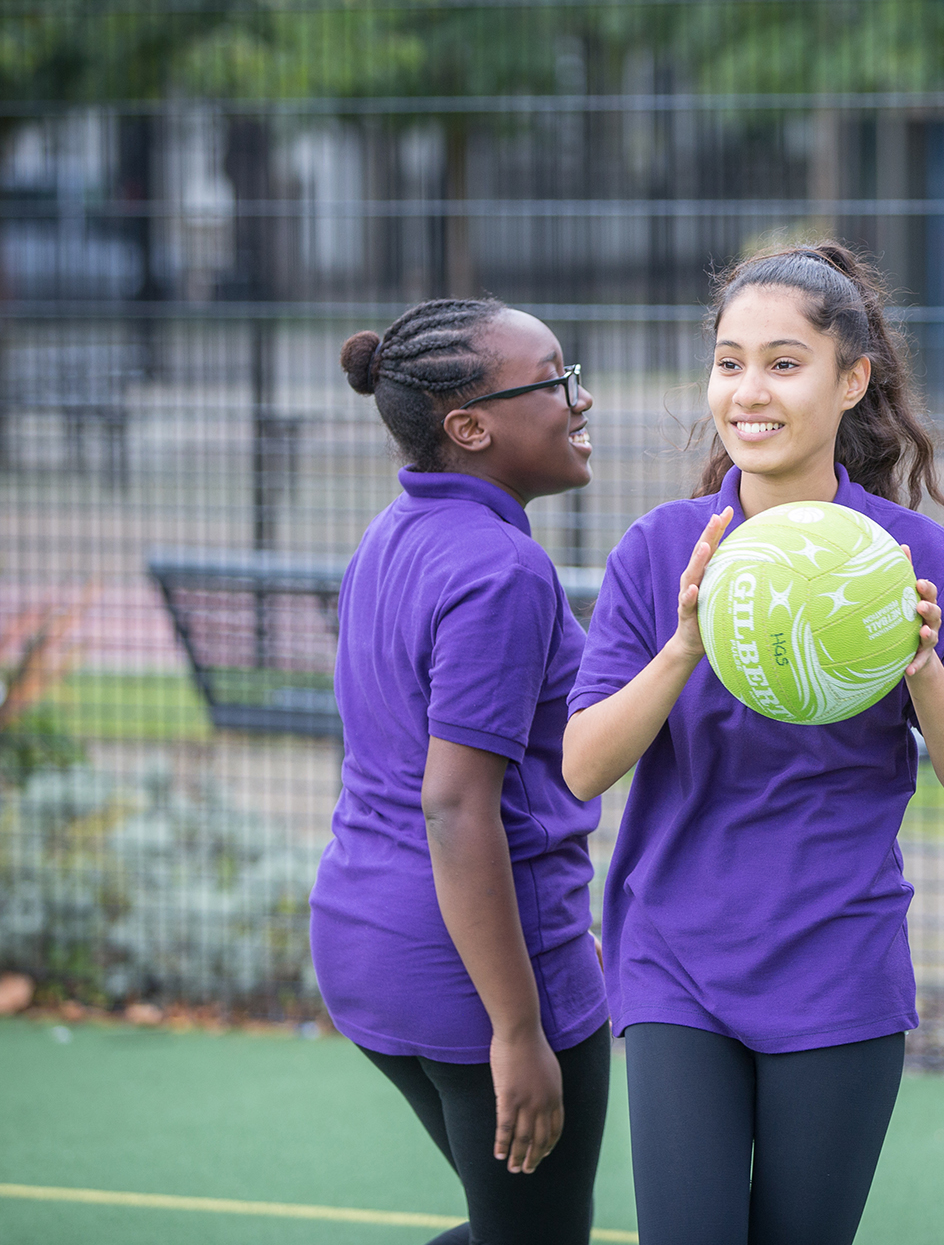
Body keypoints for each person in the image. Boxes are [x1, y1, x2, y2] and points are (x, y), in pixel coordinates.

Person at [562, 244, 944, 1245]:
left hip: (838, 962)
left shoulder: (921, 562)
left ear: (852, 379)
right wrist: (684, 643)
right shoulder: (660, 548)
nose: (748, 391)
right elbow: (583, 764)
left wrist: (921, 665)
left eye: (782, 362)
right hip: (678, 961)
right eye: (729, 362)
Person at [310, 298, 609, 1245]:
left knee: (514, 1231)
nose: (580, 397)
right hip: (479, 974)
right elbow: (453, 805)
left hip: (365, 943)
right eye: (555, 380)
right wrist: (518, 1029)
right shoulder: (502, 571)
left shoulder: (390, 534)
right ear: (469, 427)